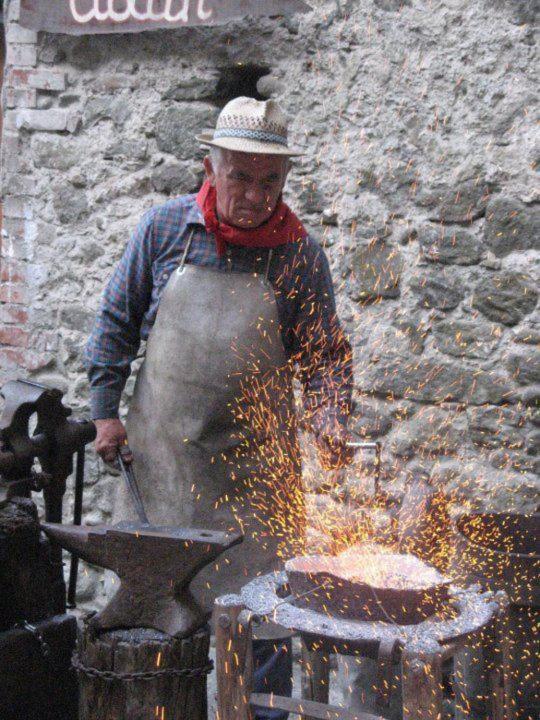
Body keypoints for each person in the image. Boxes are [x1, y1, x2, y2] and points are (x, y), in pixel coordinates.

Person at [85, 96, 353, 718]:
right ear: (210, 168)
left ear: (284, 181)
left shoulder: (300, 256)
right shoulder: (164, 231)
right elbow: (115, 325)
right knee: (154, 641)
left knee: (261, 638)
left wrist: (329, 418)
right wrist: (105, 410)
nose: (256, 195)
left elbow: (326, 358)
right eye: (240, 176)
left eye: (270, 181)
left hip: (256, 487)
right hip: (164, 477)